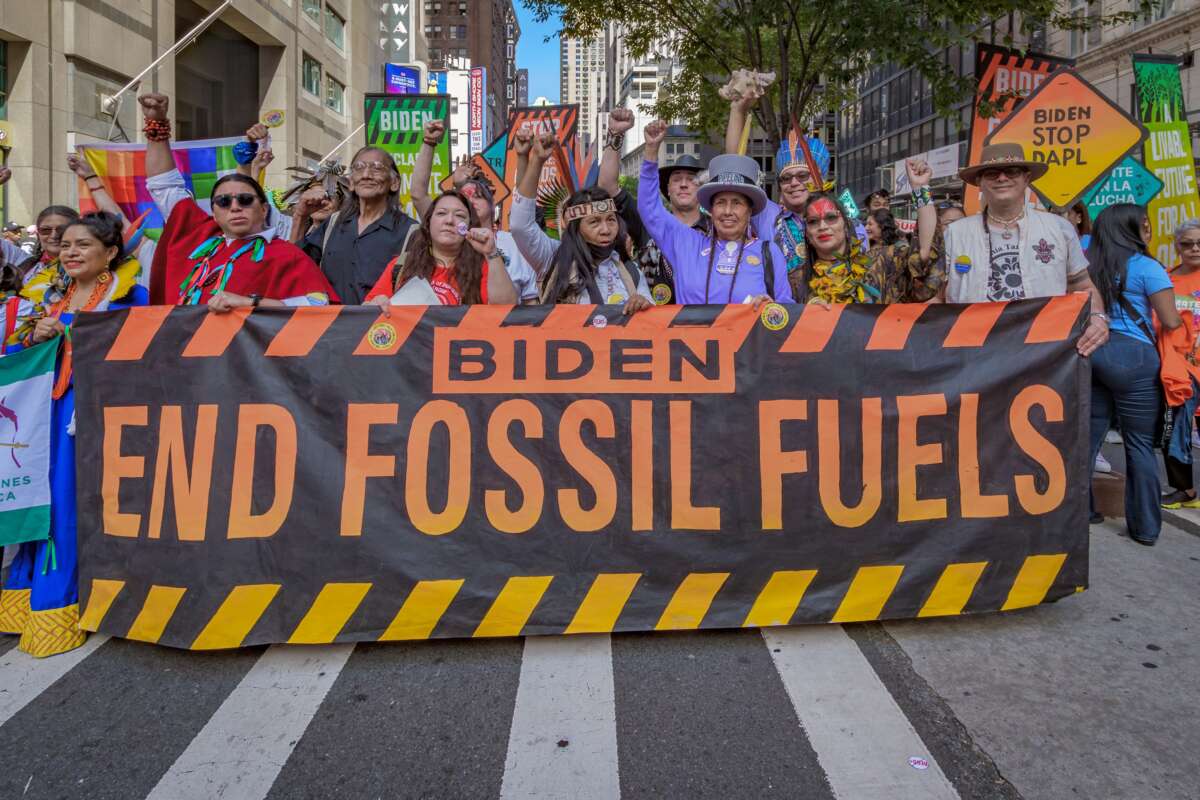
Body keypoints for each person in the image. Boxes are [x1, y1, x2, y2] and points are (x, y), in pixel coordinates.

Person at [0, 212, 147, 657]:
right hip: (44, 408)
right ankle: (22, 594)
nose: (71, 252)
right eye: (65, 245)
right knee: (38, 496)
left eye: (83, 245)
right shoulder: (50, 294)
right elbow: (15, 348)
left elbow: (136, 347)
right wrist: (33, 336)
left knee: (67, 501)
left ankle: (57, 604)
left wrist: (65, 330)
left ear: (110, 253)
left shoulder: (129, 295)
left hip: (91, 411)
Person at [138, 92, 336, 310]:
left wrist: (250, 303)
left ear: (263, 209)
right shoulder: (197, 237)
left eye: (245, 199)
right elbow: (164, 186)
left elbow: (318, 302)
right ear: (214, 212)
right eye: (223, 201)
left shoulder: (285, 255)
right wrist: (156, 122)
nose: (235, 207)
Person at [939, 143, 1108, 357]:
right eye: (992, 173)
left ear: (1026, 178)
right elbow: (937, 298)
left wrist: (1098, 318)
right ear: (980, 182)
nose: (1002, 178)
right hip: (972, 355)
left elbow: (1083, 286)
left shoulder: (1059, 228)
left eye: (1012, 171)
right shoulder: (954, 234)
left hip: (1042, 354)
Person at [1084, 204, 1181, 543]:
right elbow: (1170, 320)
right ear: (1132, 228)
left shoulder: (1085, 262)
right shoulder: (1146, 267)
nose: (1149, 231)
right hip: (1135, 358)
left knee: (1086, 441)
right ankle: (1144, 527)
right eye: (1145, 225)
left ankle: (1084, 511)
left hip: (1091, 351)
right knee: (1139, 445)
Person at [640, 120, 792, 305]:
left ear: (749, 210)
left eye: (737, 203)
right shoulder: (686, 243)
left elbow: (786, 311)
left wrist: (770, 307)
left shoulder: (769, 252)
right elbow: (650, 210)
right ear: (711, 209)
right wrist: (651, 151)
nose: (728, 211)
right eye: (721, 203)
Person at [510, 129, 652, 310]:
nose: (606, 229)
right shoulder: (552, 257)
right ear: (575, 227)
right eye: (594, 222)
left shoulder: (631, 271)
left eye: (610, 220)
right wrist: (536, 161)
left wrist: (642, 303)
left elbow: (651, 321)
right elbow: (520, 226)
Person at [412, 120, 538, 303]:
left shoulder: (512, 243)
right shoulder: (449, 236)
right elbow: (418, 194)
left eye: (478, 196)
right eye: (464, 197)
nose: (470, 201)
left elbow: (530, 301)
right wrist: (429, 142)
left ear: (493, 204)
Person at [793, 160, 940, 303]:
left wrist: (921, 189)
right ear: (807, 233)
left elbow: (924, 255)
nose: (822, 226)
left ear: (846, 226)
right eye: (813, 221)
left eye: (831, 218)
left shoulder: (880, 262)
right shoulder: (796, 280)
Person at [605, 109, 708, 305]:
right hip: (653, 327)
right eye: (677, 179)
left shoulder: (718, 230)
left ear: (702, 189)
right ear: (667, 189)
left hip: (706, 325)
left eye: (692, 180)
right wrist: (616, 134)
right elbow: (609, 187)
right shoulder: (647, 221)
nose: (684, 184)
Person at [292, 143, 416, 304]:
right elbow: (295, 269)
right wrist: (300, 217)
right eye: (358, 168)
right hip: (330, 325)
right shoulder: (333, 224)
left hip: (381, 327)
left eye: (377, 168)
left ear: (394, 183)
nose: (366, 174)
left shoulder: (410, 232)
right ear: (351, 182)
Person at [364, 189, 516, 309]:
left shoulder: (484, 266)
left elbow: (506, 310)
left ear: (470, 227)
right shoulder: (401, 265)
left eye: (460, 216)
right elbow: (366, 311)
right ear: (428, 223)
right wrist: (376, 305)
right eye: (441, 213)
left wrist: (491, 253)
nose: (449, 220)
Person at [1158, 219, 1200, 509]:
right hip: (1180, 370)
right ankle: (1184, 490)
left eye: (1199, 243)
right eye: (1187, 243)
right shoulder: (1166, 279)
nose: (1194, 248)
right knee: (1176, 431)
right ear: (1177, 247)